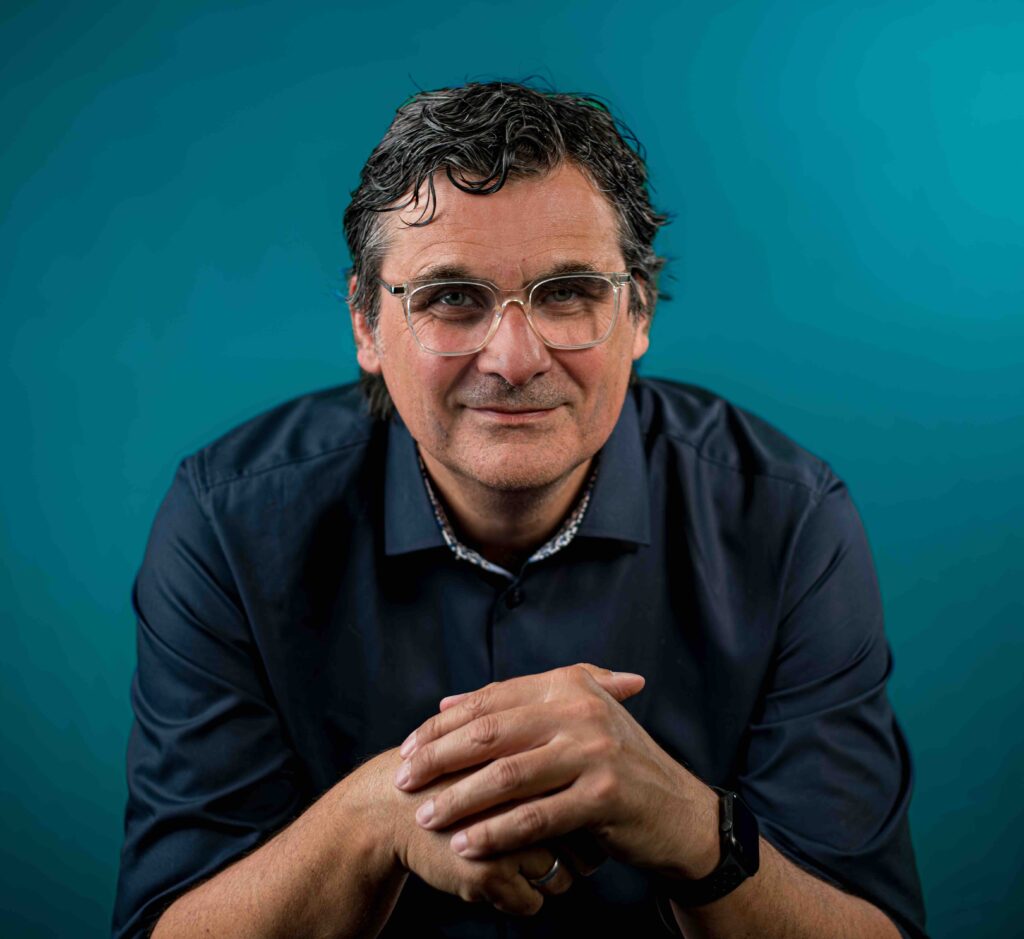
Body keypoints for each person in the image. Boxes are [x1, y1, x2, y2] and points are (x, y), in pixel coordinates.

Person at [112, 81, 927, 938]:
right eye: (451, 297)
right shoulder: (227, 524)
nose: (512, 358)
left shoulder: (791, 522)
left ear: (638, 312)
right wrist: (374, 817)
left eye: (568, 292)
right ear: (365, 323)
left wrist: (691, 826)